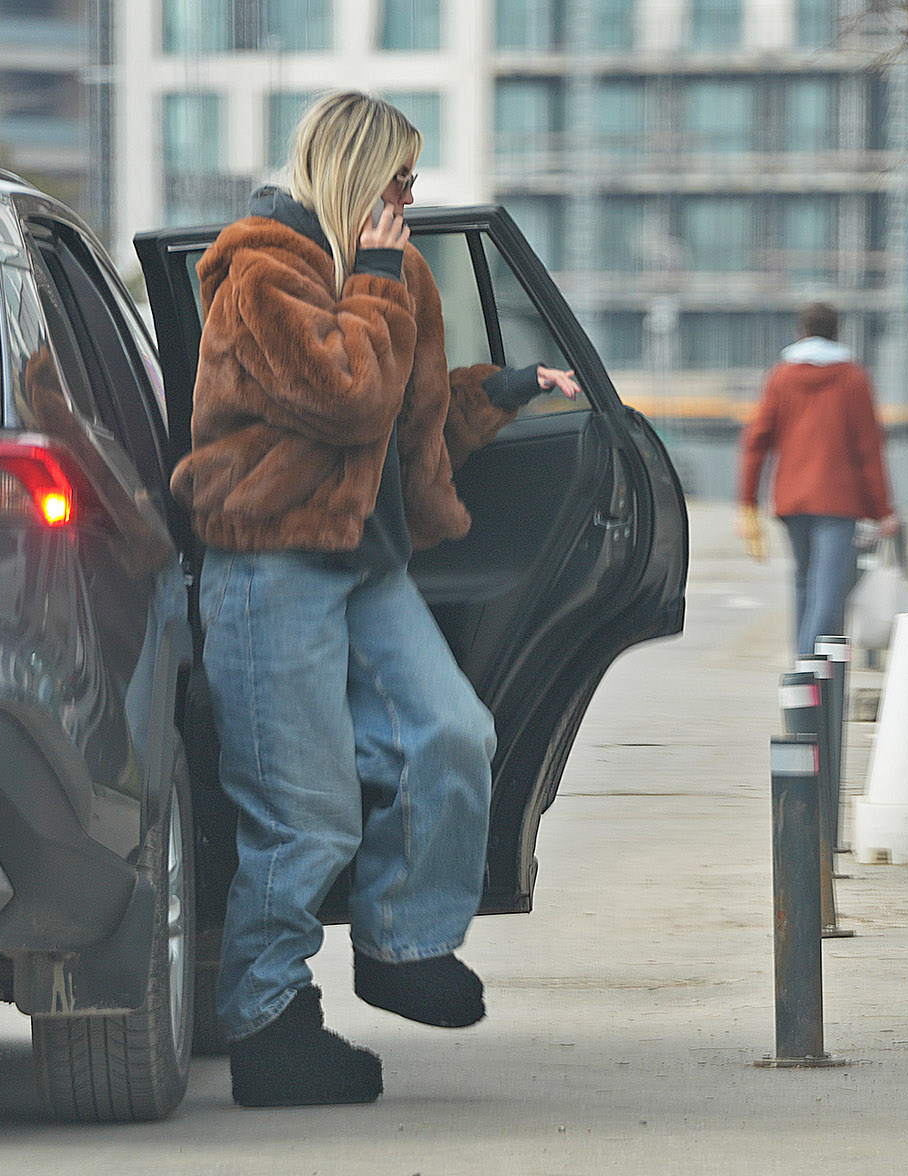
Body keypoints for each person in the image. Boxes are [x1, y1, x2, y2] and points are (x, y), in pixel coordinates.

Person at [171, 90, 579, 1108]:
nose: (411, 194)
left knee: (452, 737)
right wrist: (381, 280)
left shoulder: (391, 276)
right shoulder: (258, 271)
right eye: (399, 176)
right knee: (304, 816)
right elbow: (344, 394)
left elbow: (407, 422)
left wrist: (507, 389)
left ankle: (403, 944)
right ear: (353, 173)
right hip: (269, 563)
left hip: (368, 565)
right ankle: (267, 1024)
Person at [736, 302, 898, 657]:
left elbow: (756, 441)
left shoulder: (781, 377)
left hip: (791, 497)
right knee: (829, 586)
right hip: (839, 499)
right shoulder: (853, 378)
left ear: (802, 332)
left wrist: (747, 500)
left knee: (805, 580)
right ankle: (810, 668)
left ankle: (803, 665)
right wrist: (882, 509)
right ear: (838, 331)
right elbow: (869, 448)